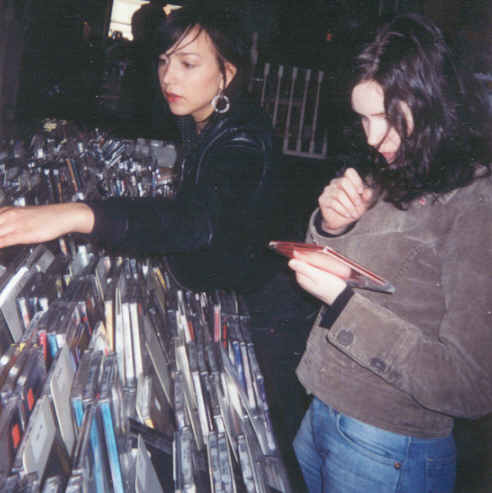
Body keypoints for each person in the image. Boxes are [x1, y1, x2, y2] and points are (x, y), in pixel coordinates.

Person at [288, 13, 492, 493]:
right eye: (364, 118)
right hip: (323, 410)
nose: (372, 138)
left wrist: (343, 306)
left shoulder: (477, 203)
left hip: (389, 446)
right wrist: (332, 226)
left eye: (388, 118)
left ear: (435, 103)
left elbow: (471, 385)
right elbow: (375, 276)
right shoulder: (400, 166)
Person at [0, 2, 286, 294]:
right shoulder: (203, 114)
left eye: (187, 64)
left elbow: (195, 222)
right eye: (163, 61)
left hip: (242, 298)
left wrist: (76, 215)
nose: (168, 77)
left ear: (227, 73)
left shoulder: (244, 139)